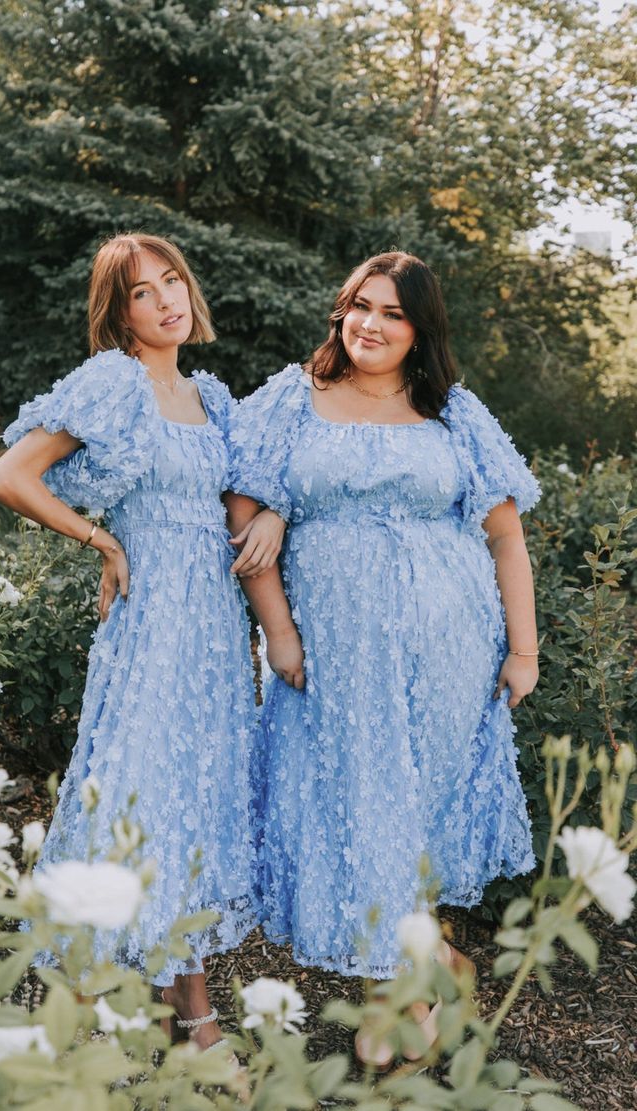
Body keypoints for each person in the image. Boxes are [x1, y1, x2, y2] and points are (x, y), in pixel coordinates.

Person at [225, 250, 541, 1067]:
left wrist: (523, 648)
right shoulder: (293, 398)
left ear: (420, 329)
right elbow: (245, 510)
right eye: (361, 305)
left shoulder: (455, 413)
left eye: (393, 313)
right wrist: (279, 632)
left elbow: (505, 536)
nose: (370, 323)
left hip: (449, 644)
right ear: (342, 311)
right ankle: (429, 971)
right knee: (356, 803)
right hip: (332, 649)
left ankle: (410, 988)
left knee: (417, 808)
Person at [0, 232, 284, 1052]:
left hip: (218, 635)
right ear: (119, 313)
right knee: (139, 799)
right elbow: (8, 476)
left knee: (195, 801)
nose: (166, 300)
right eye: (143, 292)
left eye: (173, 281)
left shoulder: (213, 398)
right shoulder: (114, 383)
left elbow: (244, 504)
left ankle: (169, 1003)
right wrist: (102, 541)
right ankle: (135, 1016)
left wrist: (274, 519)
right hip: (152, 625)